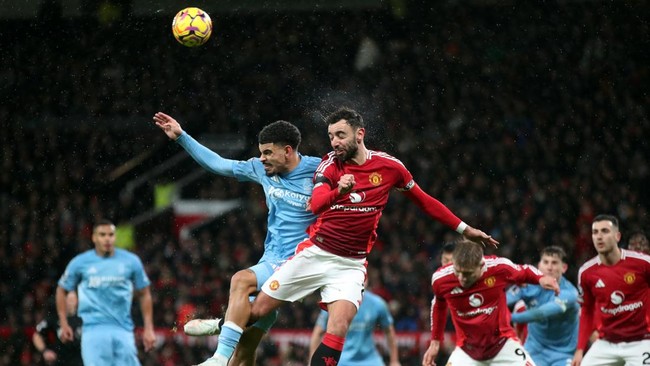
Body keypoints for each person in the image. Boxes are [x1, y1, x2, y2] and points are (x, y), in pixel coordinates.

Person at [196, 106, 498, 366]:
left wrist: (464, 228)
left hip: (351, 264)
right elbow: (315, 204)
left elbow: (423, 200)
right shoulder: (329, 167)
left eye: (340, 135)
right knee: (257, 310)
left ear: (359, 134)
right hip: (314, 253)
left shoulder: (390, 168)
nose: (334, 142)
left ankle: (227, 325)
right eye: (330, 136)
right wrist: (339, 191)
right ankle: (225, 325)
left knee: (338, 326)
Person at [153, 112, 321, 366]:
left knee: (241, 279)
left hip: (300, 260)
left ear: (287, 151)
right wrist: (182, 138)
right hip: (272, 258)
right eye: (260, 153)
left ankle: (218, 356)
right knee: (243, 351)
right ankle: (226, 326)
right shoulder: (261, 169)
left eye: (267, 152)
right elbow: (220, 165)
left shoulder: (319, 169)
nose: (261, 158)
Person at [422, 239, 560, 366]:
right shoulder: (441, 280)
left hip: (502, 345)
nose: (462, 278)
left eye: (468, 274)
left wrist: (541, 278)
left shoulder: (498, 268)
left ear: (481, 265)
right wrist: (435, 342)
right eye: (458, 272)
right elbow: (439, 305)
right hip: (467, 351)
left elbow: (524, 271)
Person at [56, 219, 156, 365]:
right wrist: (64, 323)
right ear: (94, 237)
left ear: (115, 237)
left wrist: (149, 328)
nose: (107, 239)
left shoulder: (131, 261)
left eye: (110, 234)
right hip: (93, 330)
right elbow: (61, 289)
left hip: (123, 329)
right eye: (102, 235)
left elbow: (145, 293)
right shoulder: (80, 262)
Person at [571, 214, 650, 366]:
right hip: (606, 344)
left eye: (605, 231)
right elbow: (586, 310)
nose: (599, 237)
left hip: (641, 341)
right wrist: (580, 349)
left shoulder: (643, 263)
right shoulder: (586, 272)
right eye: (595, 232)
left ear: (617, 236)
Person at [506, 246, 579, 366]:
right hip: (534, 350)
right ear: (539, 266)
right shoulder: (527, 285)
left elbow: (541, 313)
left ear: (564, 268)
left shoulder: (570, 293)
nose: (549, 267)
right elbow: (503, 300)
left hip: (562, 354)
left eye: (554, 263)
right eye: (546, 262)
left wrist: (508, 317)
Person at [308, 288, 401, 366]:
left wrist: (394, 361)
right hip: (341, 360)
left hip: (370, 360)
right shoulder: (334, 303)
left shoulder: (377, 303)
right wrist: (311, 361)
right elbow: (318, 333)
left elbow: (389, 331)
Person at [32, 291, 83, 366]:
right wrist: (45, 351)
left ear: (77, 301)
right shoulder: (55, 317)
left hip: (82, 361)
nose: (70, 302)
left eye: (72, 299)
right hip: (61, 361)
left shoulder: (85, 317)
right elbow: (36, 335)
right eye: (67, 299)